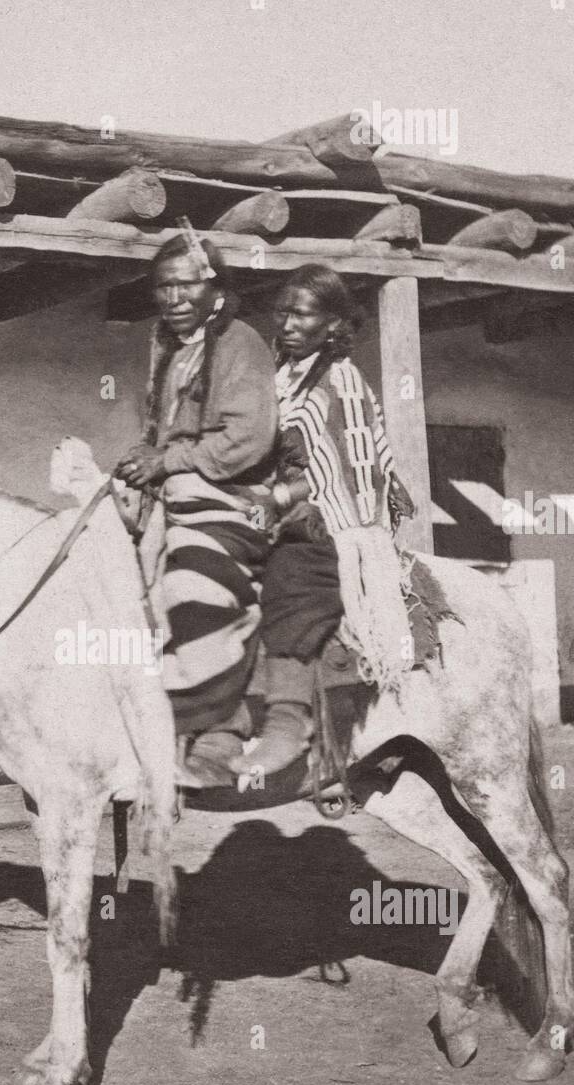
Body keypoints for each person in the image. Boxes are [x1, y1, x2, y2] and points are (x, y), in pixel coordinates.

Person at [231, 264, 415, 779]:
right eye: (282, 312)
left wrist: (280, 497)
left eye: (302, 313)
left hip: (337, 528)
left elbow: (355, 472)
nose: (287, 323)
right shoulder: (281, 377)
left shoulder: (343, 380)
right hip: (282, 512)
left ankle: (288, 725)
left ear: (332, 324)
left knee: (291, 583)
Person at [116, 232, 278, 787]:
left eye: (188, 282)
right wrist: (146, 457)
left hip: (238, 499)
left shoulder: (242, 343)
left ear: (215, 286)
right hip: (178, 493)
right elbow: (161, 433)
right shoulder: (166, 345)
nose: (175, 296)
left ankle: (219, 731)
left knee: (192, 583)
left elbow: (249, 440)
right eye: (164, 285)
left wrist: (169, 462)